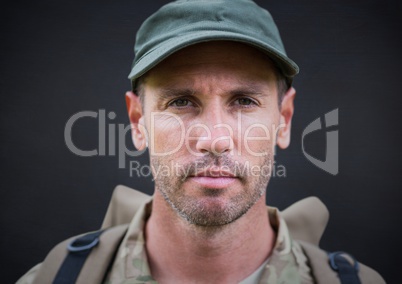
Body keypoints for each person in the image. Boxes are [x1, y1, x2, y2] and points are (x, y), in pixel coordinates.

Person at [18, 0, 385, 283]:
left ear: (284, 120)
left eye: (244, 101)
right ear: (137, 121)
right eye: (180, 102)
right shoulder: (56, 278)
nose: (214, 139)